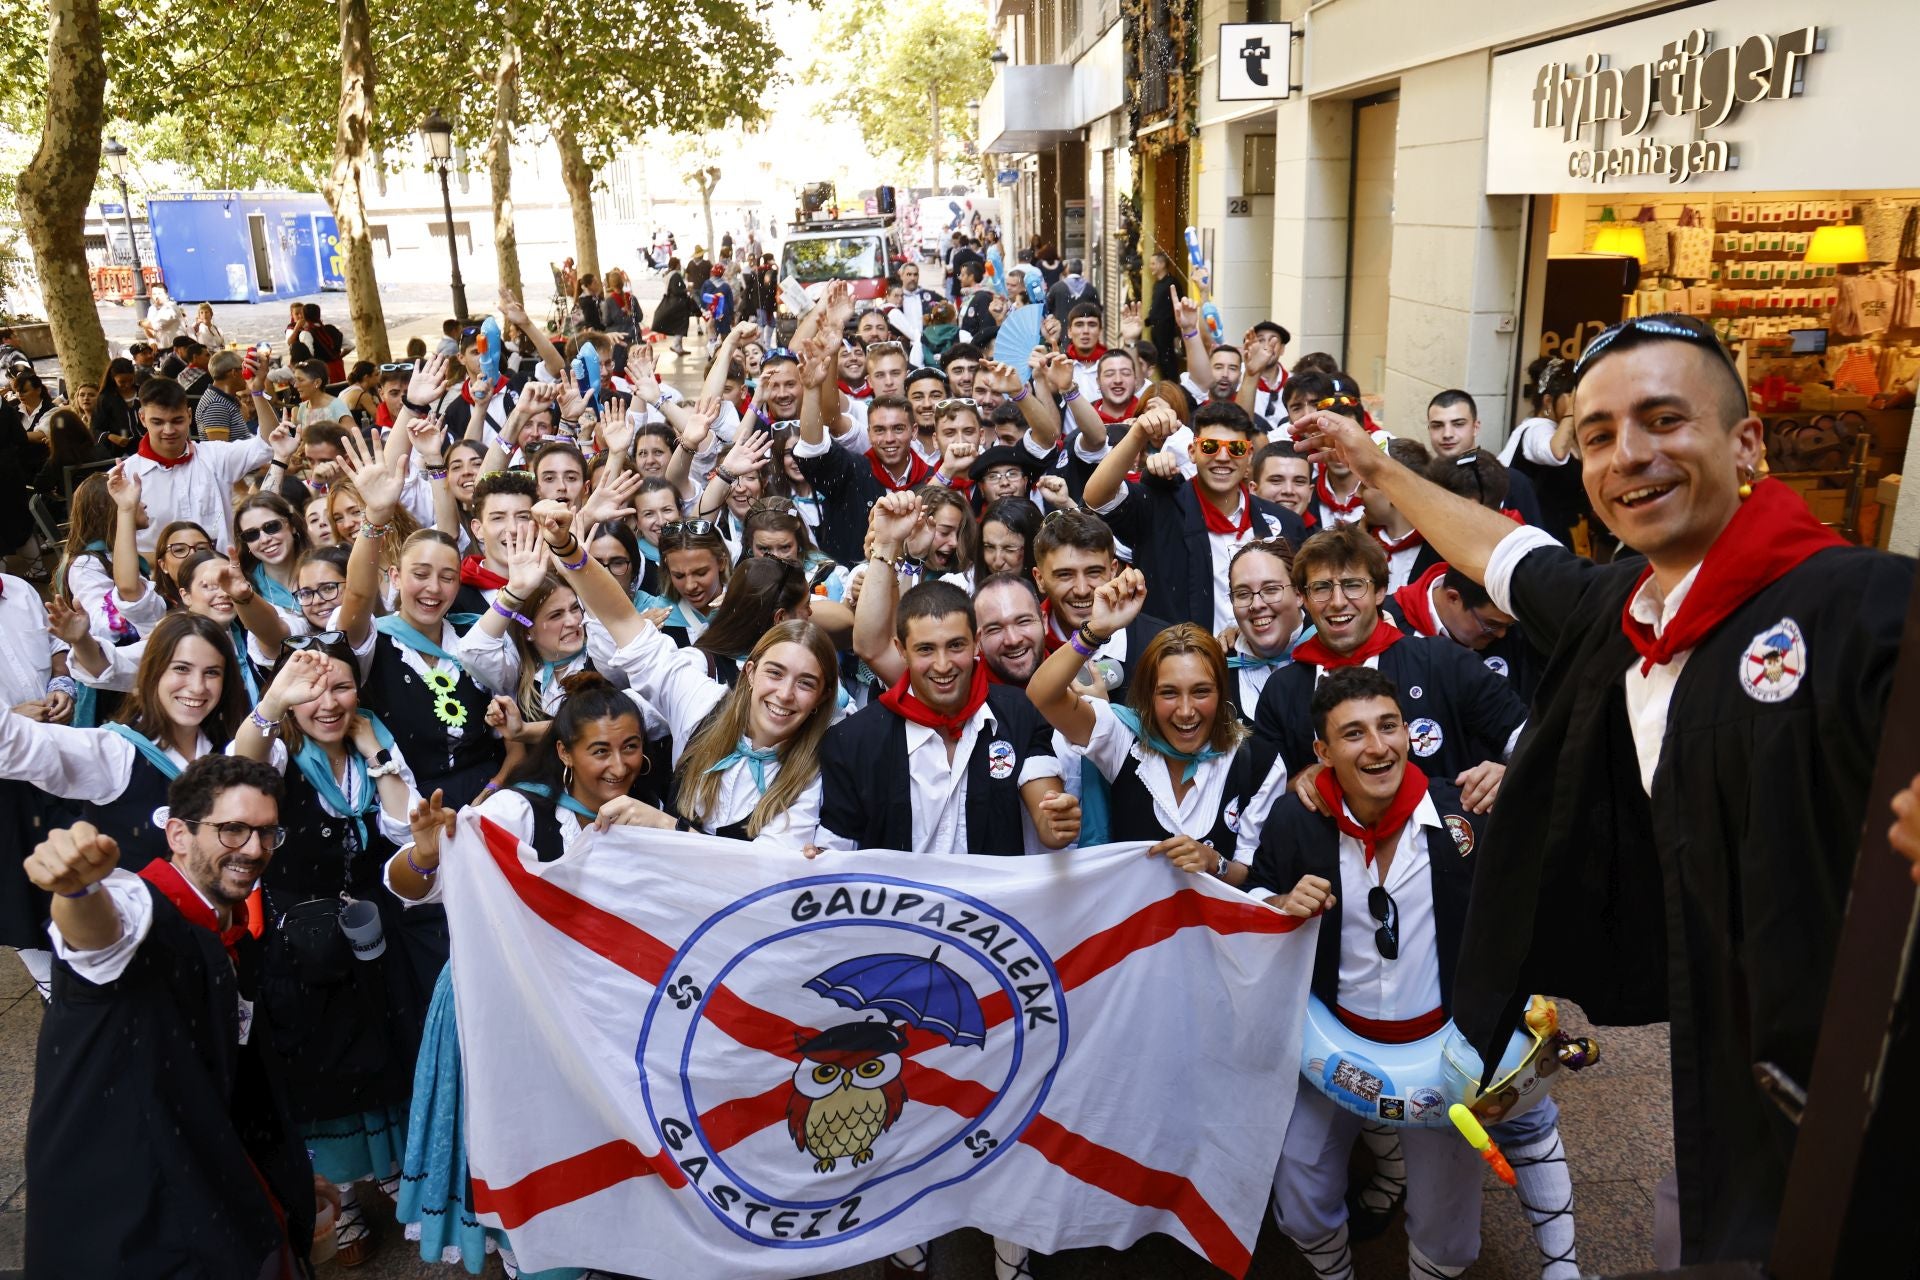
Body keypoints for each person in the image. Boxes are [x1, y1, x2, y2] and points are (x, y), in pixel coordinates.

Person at [1295, 312, 1912, 1263]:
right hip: (1716, 1051)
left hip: (1855, 1078)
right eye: (1597, 435)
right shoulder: (1622, 607)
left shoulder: (1861, 605)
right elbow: (1503, 556)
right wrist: (1377, 473)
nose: (1629, 455)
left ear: (1746, 443)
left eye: (1664, 420)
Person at [1247, 666, 1498, 1280]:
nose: (1378, 746)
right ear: (1322, 752)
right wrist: (1277, 905)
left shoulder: (1465, 814)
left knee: (1451, 1235)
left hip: (1441, 1052)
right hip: (1326, 1046)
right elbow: (1256, 891)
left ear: (1408, 735)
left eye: (1389, 727)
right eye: (1353, 734)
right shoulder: (1294, 820)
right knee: (1300, 1199)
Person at [21, 758, 318, 1278]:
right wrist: (76, 890)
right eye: (232, 830)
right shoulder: (143, 910)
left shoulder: (231, 932)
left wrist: (282, 1179)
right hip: (128, 1226)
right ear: (177, 834)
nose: (253, 848)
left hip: (212, 1190)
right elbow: (98, 937)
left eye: (267, 833)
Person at [230, 642, 427, 1265]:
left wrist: (375, 752)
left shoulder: (375, 751)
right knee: (320, 1065)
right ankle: (338, 1202)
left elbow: (405, 825)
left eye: (340, 688)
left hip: (372, 935)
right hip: (300, 946)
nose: (328, 703)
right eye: (311, 691)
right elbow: (238, 769)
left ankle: (393, 1170)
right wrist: (271, 703)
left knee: (386, 1046)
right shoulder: (283, 757)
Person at [1028, 565, 1278, 874]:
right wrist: (1095, 631)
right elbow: (1043, 694)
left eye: (1201, 692)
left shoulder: (1258, 761)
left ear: (1221, 691)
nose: (1186, 711)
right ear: (1148, 696)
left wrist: (1216, 864)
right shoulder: (1122, 738)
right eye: (1169, 693)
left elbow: (1257, 878)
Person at [815, 580, 1080, 856]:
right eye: (926, 649)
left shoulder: (1021, 712)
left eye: (955, 646)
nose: (943, 665)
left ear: (976, 643)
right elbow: (836, 855)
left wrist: (1057, 820)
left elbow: (1048, 815)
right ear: (901, 649)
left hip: (990, 899)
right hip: (903, 901)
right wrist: (817, 858)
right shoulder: (852, 741)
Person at [1086, 398, 1306, 632]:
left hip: (1263, 662)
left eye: (1236, 448)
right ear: (1192, 451)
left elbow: (1300, 603)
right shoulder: (1159, 506)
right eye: (1210, 446)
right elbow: (1096, 497)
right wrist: (1138, 434)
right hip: (1176, 662)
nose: (1223, 457)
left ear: (1249, 456)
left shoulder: (1285, 523)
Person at [124, 378, 293, 554]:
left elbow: (268, 443)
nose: (168, 430)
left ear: (189, 416)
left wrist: (257, 392)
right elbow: (116, 545)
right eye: (157, 422)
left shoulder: (214, 456)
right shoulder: (125, 476)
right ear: (142, 419)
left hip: (224, 571)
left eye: (177, 421)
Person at [1425, 389, 1543, 526]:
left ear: (1475, 427)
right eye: (1437, 426)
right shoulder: (1421, 480)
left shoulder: (1514, 483)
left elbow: (1533, 542)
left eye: (1458, 424)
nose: (1447, 434)